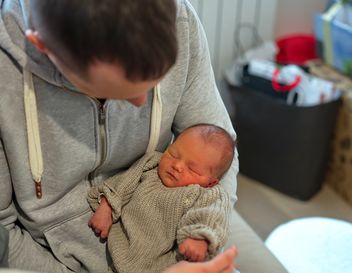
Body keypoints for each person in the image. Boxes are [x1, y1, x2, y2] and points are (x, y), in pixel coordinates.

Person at [0, 0, 238, 272]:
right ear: (43, 48)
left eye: (153, 84)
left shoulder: (179, 18)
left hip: (170, 228)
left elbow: (219, 146)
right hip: (50, 257)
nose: (139, 103)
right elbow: (4, 234)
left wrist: (205, 240)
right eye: (117, 91)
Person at [87, 124, 234, 273]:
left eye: (192, 169)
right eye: (173, 154)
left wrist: (201, 239)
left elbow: (212, 216)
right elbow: (122, 183)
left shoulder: (208, 194)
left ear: (211, 182)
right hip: (119, 257)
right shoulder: (151, 165)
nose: (177, 165)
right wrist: (106, 207)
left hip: (166, 267)